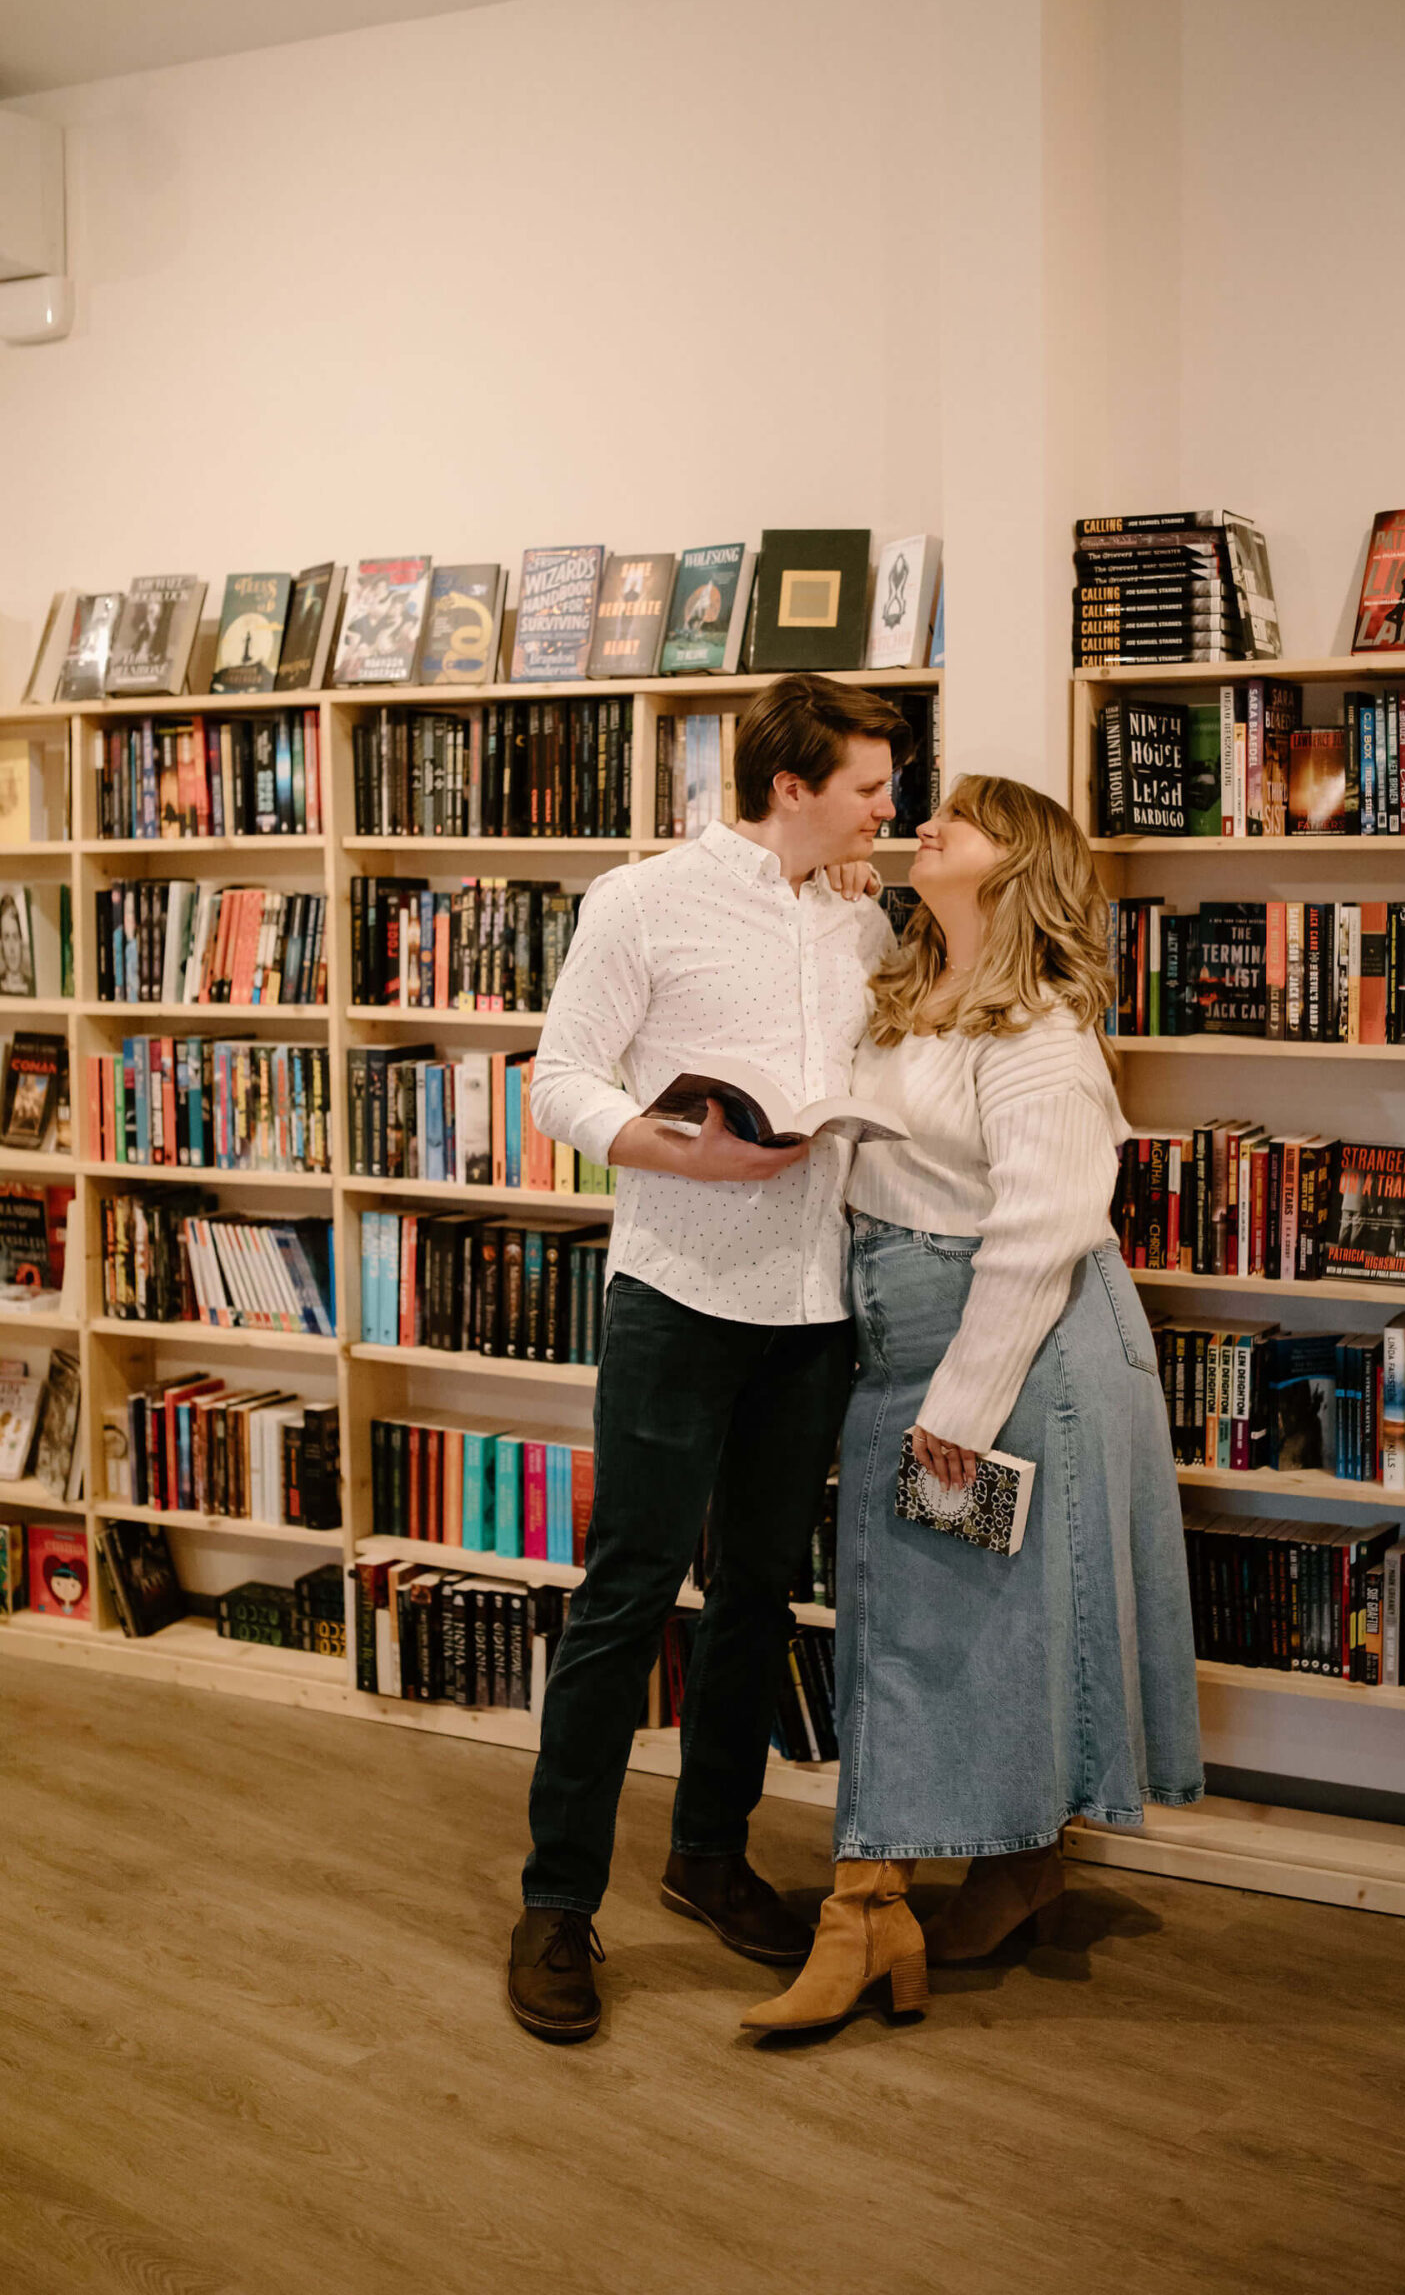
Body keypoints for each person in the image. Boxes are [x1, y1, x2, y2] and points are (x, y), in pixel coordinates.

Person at [743, 774, 1203, 2034]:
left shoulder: (1042, 1032)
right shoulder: (907, 982)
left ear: (1018, 867)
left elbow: (1043, 1231)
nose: (929, 823)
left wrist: (961, 1404)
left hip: (1017, 1347)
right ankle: (1010, 1869)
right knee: (940, 1618)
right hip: (911, 1335)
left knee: (947, 1621)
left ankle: (867, 1912)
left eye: (967, 817)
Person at [508, 671, 908, 2043]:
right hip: (675, 1294)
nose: (886, 807)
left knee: (755, 1596)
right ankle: (557, 1904)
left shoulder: (862, 919)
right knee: (626, 1591)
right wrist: (688, 1147)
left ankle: (705, 1856)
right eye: (866, 785)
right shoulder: (640, 901)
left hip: (810, 1307)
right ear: (788, 787)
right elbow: (557, 1082)